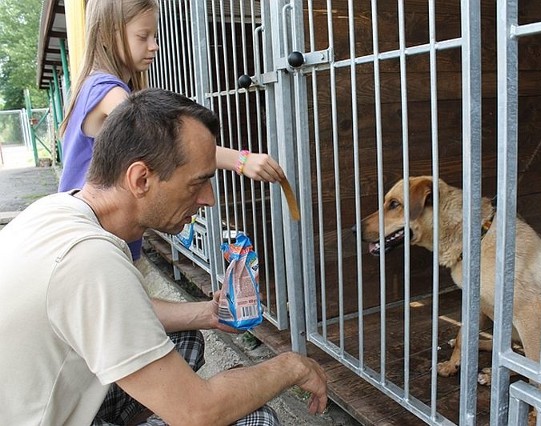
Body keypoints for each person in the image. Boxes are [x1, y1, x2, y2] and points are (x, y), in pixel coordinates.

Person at [0, 88, 327, 425]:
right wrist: (292, 366)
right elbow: (199, 413)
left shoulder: (58, 210)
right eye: (197, 183)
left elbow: (116, 307)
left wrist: (208, 313)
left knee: (183, 339)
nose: (209, 199)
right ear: (141, 179)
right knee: (252, 420)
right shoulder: (90, 260)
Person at [58, 0, 283, 261]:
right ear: (110, 33)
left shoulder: (96, 85)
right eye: (143, 36)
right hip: (92, 237)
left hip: (92, 232)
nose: (154, 45)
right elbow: (165, 142)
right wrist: (241, 160)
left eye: (154, 35)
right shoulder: (108, 91)